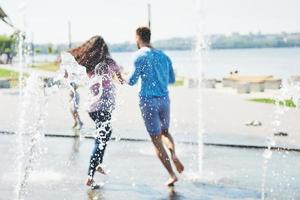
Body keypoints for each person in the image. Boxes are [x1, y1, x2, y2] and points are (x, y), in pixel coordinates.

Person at [128, 27, 184, 186]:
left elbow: (132, 81)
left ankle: (172, 175)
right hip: (164, 100)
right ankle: (173, 153)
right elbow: (171, 79)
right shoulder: (164, 56)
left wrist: (121, 76)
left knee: (156, 140)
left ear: (138, 37)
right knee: (165, 132)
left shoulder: (139, 56)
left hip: (148, 101)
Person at [68, 36, 125, 188]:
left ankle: (98, 164)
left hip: (92, 108)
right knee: (101, 138)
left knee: (104, 134)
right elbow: (121, 79)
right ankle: (90, 176)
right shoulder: (110, 63)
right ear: (105, 48)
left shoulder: (89, 64)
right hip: (104, 107)